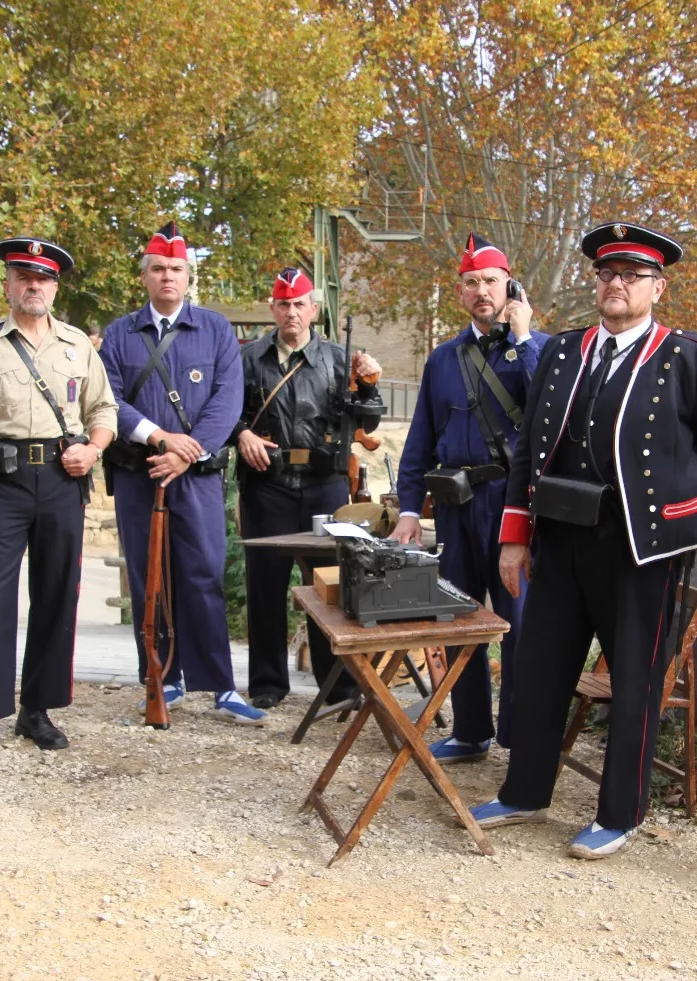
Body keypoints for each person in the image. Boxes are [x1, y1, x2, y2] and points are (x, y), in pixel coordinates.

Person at [473, 222, 697, 859]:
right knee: (541, 668)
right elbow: (529, 453)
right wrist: (514, 538)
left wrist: (675, 496)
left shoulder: (688, 356)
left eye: (631, 275)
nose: (616, 284)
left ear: (657, 286)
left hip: (641, 547)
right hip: (561, 539)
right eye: (606, 273)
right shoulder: (564, 351)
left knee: (634, 680)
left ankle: (620, 813)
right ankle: (524, 792)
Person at [0, 237, 118, 764]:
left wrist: (93, 449)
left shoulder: (76, 346)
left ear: (55, 286)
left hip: (61, 481)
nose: (32, 286)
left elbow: (103, 409)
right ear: (8, 285)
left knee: (57, 593)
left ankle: (36, 710)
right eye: (23, 276)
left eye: (42, 278)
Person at [390, 234, 546, 762]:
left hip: (514, 506)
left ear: (511, 285)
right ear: (460, 291)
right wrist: (409, 509)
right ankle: (472, 730)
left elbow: (549, 416)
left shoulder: (540, 352)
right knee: (458, 619)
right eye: (472, 282)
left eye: (492, 281)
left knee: (519, 623)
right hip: (457, 505)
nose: (483, 291)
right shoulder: (442, 360)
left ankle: (522, 734)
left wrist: (523, 339)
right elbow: (419, 441)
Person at [99, 222, 255, 723]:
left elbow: (228, 399)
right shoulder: (121, 333)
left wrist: (187, 453)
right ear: (144, 277)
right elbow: (107, 399)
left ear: (189, 277)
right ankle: (162, 677)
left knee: (203, 573)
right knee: (148, 580)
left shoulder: (215, 329)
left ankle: (221, 685)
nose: (168, 276)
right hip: (138, 472)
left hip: (197, 476)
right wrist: (159, 439)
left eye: (177, 269)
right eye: (159, 269)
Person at [234, 267, 382, 709]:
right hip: (268, 484)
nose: (292, 312)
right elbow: (225, 411)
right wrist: (241, 433)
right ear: (273, 308)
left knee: (330, 586)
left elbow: (369, 421)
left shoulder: (340, 359)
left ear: (313, 310)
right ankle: (266, 684)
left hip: (324, 484)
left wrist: (370, 383)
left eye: (300, 304)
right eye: (284, 304)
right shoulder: (249, 358)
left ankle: (336, 687)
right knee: (264, 585)